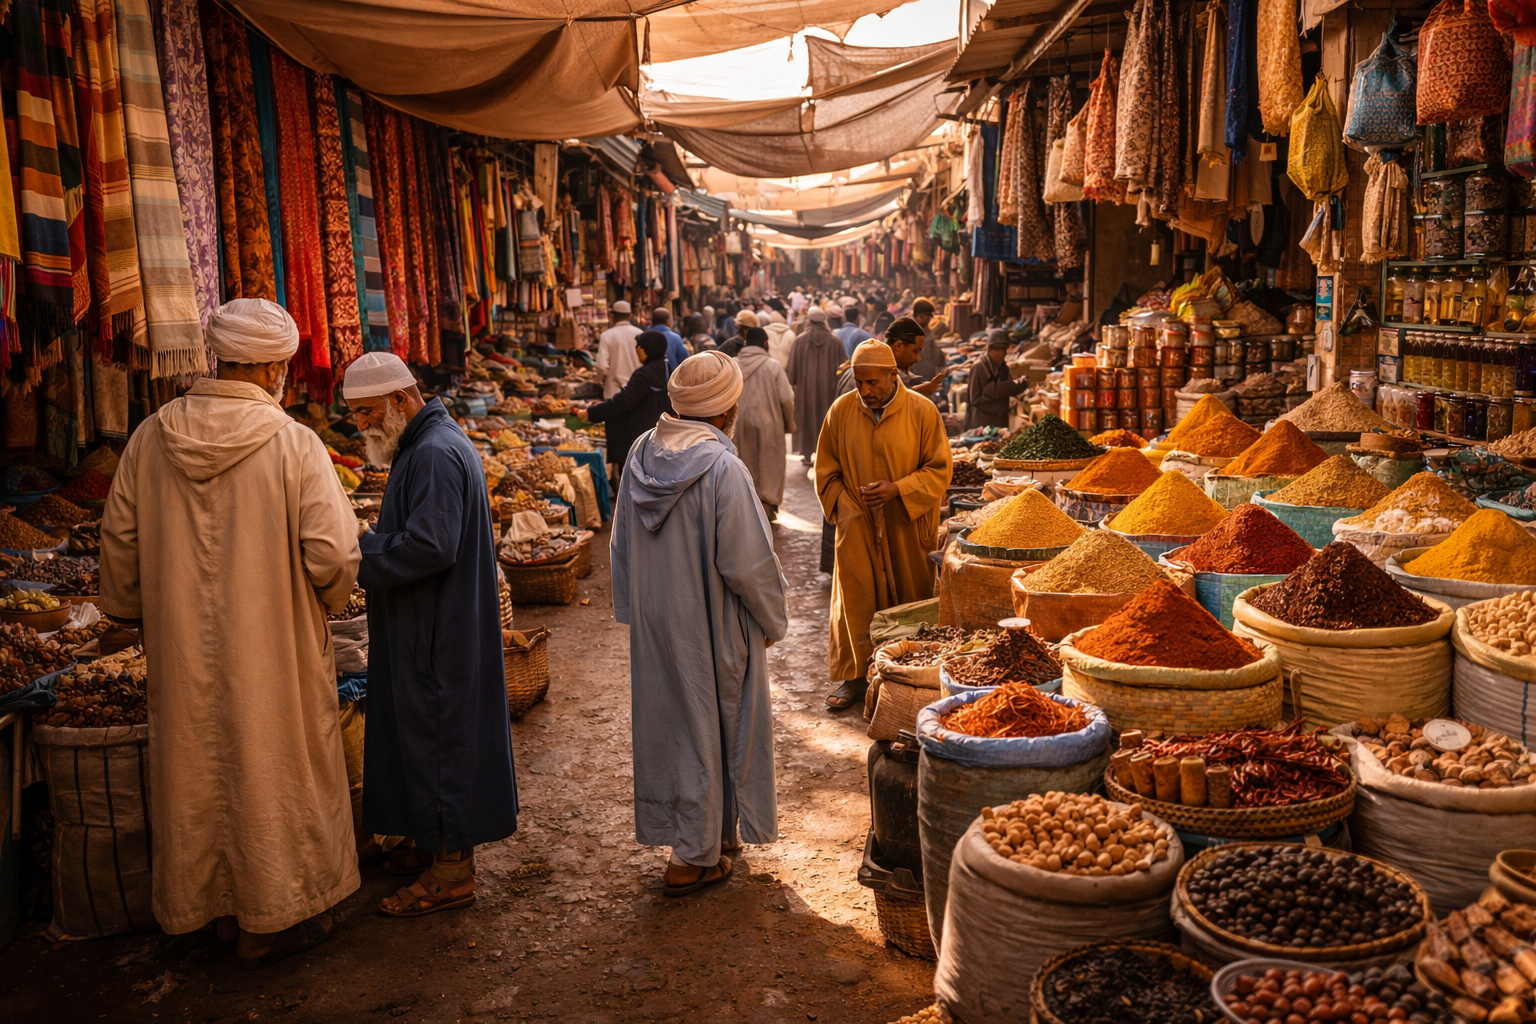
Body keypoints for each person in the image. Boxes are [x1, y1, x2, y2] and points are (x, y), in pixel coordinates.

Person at [100, 298, 360, 969]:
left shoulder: (150, 437)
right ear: (274, 365)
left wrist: (138, 609)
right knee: (273, 768)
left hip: (183, 653)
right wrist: (325, 602)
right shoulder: (293, 443)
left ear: (219, 357)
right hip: (276, 648)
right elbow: (333, 557)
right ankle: (269, 919)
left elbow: (120, 558)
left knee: (198, 772)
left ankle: (215, 913)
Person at [343, 352, 518, 918]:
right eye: (357, 415)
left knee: (439, 742)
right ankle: (430, 844)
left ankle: (450, 874)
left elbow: (431, 545)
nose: (362, 424)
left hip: (438, 630)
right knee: (423, 738)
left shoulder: (436, 453)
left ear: (400, 399)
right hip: (431, 621)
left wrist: (358, 549)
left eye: (368, 412)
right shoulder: (425, 444)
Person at [610, 351, 790, 897]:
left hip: (658, 620)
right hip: (714, 623)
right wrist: (772, 620)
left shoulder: (641, 452)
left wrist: (635, 610)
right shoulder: (723, 469)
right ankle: (691, 858)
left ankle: (713, 835)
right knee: (717, 726)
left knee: (680, 727)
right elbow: (750, 564)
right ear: (726, 409)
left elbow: (620, 543)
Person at [815, 340, 952, 710]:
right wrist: (848, 509)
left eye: (872, 382)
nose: (865, 391)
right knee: (857, 599)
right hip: (856, 525)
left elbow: (939, 470)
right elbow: (826, 471)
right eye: (859, 383)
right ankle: (854, 677)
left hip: (906, 525)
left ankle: (906, 680)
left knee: (908, 603)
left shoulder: (923, 411)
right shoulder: (841, 411)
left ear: (894, 375)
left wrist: (899, 489)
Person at [581, 330, 673, 486]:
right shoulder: (666, 367)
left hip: (640, 437)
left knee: (634, 483)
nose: (636, 348)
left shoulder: (645, 374)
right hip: (659, 436)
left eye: (639, 345)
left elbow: (622, 401)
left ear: (648, 348)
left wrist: (591, 413)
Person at [734, 326, 795, 518]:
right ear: (765, 344)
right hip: (770, 422)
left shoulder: (733, 364)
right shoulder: (773, 366)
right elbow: (786, 399)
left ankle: (744, 502)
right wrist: (789, 423)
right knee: (769, 464)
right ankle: (767, 505)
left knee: (744, 461)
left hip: (738, 422)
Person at [785, 306, 844, 462]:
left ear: (809, 321)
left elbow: (791, 371)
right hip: (829, 391)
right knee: (826, 419)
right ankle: (826, 454)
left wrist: (794, 383)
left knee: (806, 420)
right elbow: (845, 367)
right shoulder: (835, 340)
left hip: (805, 391)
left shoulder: (799, 341)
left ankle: (806, 454)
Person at [965, 330, 1030, 430]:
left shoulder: (1003, 367)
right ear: (989, 349)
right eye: (999, 349)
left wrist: (1020, 386)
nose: (1003, 353)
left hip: (1000, 421)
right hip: (982, 423)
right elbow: (975, 399)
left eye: (1005, 349)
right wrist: (1008, 386)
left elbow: (1009, 388)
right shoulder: (978, 367)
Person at [595, 300, 643, 399]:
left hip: (614, 395)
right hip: (637, 392)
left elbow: (602, 366)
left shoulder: (607, 335)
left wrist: (599, 380)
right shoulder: (641, 333)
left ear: (612, 317)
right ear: (630, 316)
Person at [908, 298, 943, 380]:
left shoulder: (925, 329)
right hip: (915, 381)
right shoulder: (908, 330)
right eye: (928, 317)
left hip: (927, 379)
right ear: (920, 315)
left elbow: (936, 356)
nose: (929, 320)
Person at [651, 308, 690, 375]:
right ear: (669, 321)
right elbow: (685, 362)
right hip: (669, 380)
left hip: (647, 380)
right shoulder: (675, 338)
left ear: (652, 322)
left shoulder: (643, 335)